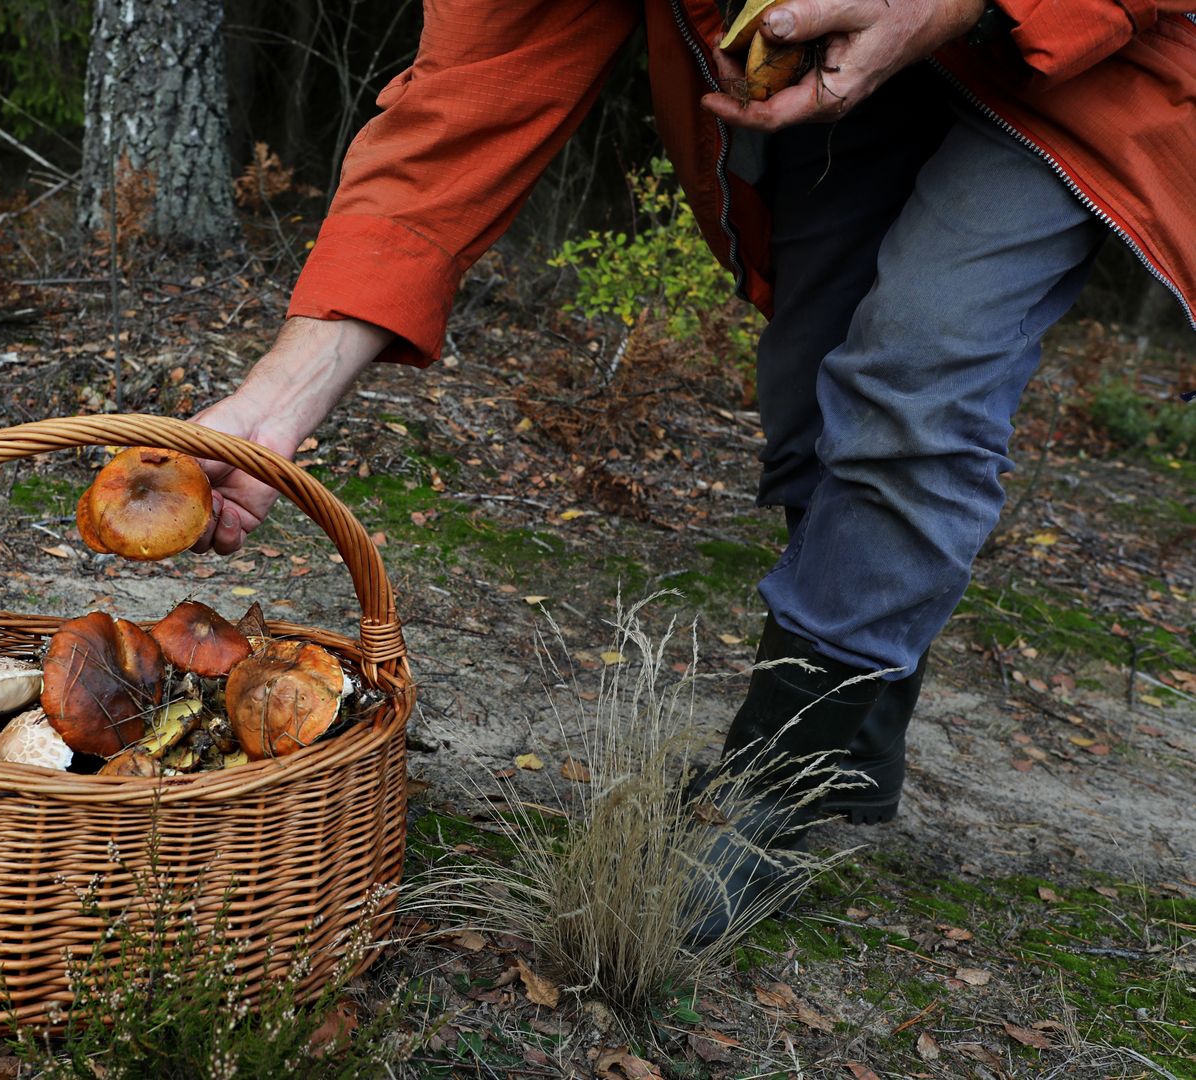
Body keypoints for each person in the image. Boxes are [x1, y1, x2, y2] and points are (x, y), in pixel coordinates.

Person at [189, 0, 1196, 939]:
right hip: (828, 77)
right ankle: (851, 738)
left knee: (913, 375)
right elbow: (467, 100)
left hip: (1086, 67)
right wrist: (278, 407)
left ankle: (781, 773)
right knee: (812, 396)